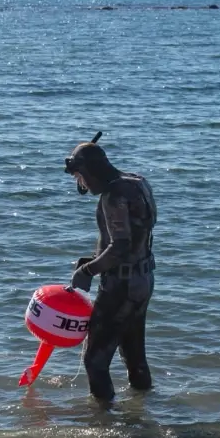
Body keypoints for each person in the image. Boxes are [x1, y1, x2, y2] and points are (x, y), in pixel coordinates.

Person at [63, 133, 157, 404]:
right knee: (134, 353)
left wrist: (87, 272)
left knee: (95, 360)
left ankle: (105, 425)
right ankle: (144, 409)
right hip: (143, 279)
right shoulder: (137, 182)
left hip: (121, 286)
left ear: (89, 172)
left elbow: (120, 247)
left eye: (79, 176)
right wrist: (93, 259)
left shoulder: (112, 196)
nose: (80, 183)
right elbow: (135, 236)